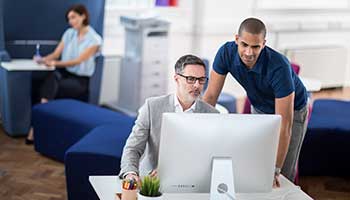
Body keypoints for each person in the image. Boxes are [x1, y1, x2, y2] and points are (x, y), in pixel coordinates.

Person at [203, 18, 309, 186]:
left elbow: (284, 126)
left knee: (282, 175)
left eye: (255, 47)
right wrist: (198, 131)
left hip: (293, 112)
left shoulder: (278, 66)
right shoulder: (226, 53)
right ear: (236, 39)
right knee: (255, 161)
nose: (249, 52)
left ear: (264, 44)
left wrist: (275, 170)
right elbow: (209, 98)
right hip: (259, 107)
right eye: (244, 44)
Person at [119, 54, 219, 182]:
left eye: (201, 80)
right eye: (190, 79)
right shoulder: (152, 106)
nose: (197, 85)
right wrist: (130, 173)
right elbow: (133, 148)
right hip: (151, 182)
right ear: (177, 79)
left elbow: (211, 158)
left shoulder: (212, 115)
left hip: (193, 182)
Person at [26, 4, 102, 144]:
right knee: (40, 80)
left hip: (80, 80)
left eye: (73, 17)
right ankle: (40, 118)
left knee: (49, 83)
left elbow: (77, 61)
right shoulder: (69, 33)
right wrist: (42, 59)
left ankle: (35, 126)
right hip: (64, 73)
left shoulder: (95, 39)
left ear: (83, 16)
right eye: (69, 19)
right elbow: (56, 54)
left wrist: (53, 64)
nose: (71, 21)